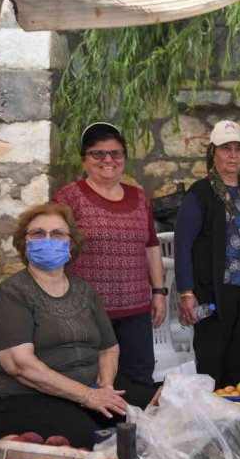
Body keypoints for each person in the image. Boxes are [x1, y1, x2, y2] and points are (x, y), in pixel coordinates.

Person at [0, 204, 131, 449]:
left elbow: (108, 348)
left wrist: (105, 387)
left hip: (85, 391)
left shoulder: (85, 291)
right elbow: (20, 365)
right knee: (90, 438)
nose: (48, 239)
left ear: (70, 244)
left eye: (58, 234)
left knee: (150, 414)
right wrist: (87, 395)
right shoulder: (12, 292)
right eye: (38, 233)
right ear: (24, 243)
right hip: (22, 399)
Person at [53, 122, 164, 407]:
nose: (108, 160)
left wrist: (159, 293)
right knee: (93, 384)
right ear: (84, 159)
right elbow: (54, 246)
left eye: (116, 153)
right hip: (86, 312)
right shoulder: (69, 198)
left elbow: (151, 245)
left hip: (136, 310)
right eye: (98, 154)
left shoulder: (139, 198)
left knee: (138, 381)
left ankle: (134, 442)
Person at [175, 120, 240, 388]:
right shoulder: (200, 193)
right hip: (213, 294)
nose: (233, 155)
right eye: (226, 149)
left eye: (238, 149)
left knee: (236, 365)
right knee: (211, 364)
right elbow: (182, 244)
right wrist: (187, 293)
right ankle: (209, 421)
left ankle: (230, 420)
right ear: (214, 152)